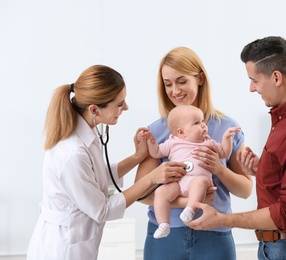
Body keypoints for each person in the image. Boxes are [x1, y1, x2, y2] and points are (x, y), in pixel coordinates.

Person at [186, 36, 286, 260]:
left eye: (255, 80)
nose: (251, 88)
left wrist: (221, 219)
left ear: (276, 77)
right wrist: (266, 171)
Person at [27, 65, 187, 260]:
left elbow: (96, 175)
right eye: (120, 104)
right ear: (94, 109)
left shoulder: (86, 133)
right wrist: (151, 179)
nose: (126, 108)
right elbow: (102, 211)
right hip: (62, 249)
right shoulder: (72, 153)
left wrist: (136, 157)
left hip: (75, 242)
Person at [135, 47, 253, 259]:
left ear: (199, 79)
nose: (175, 91)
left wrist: (219, 169)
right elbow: (141, 194)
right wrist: (191, 202)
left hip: (214, 232)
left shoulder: (227, 128)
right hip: (166, 236)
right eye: (168, 84)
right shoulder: (158, 131)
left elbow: (245, 190)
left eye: (182, 81)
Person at [140, 105, 241, 238]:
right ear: (181, 132)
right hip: (177, 183)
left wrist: (227, 138)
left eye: (203, 121)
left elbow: (224, 152)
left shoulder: (209, 142)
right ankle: (164, 224)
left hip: (196, 182)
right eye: (197, 123)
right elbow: (157, 152)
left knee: (202, 181)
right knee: (161, 192)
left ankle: (190, 210)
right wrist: (150, 142)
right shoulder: (173, 143)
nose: (204, 125)